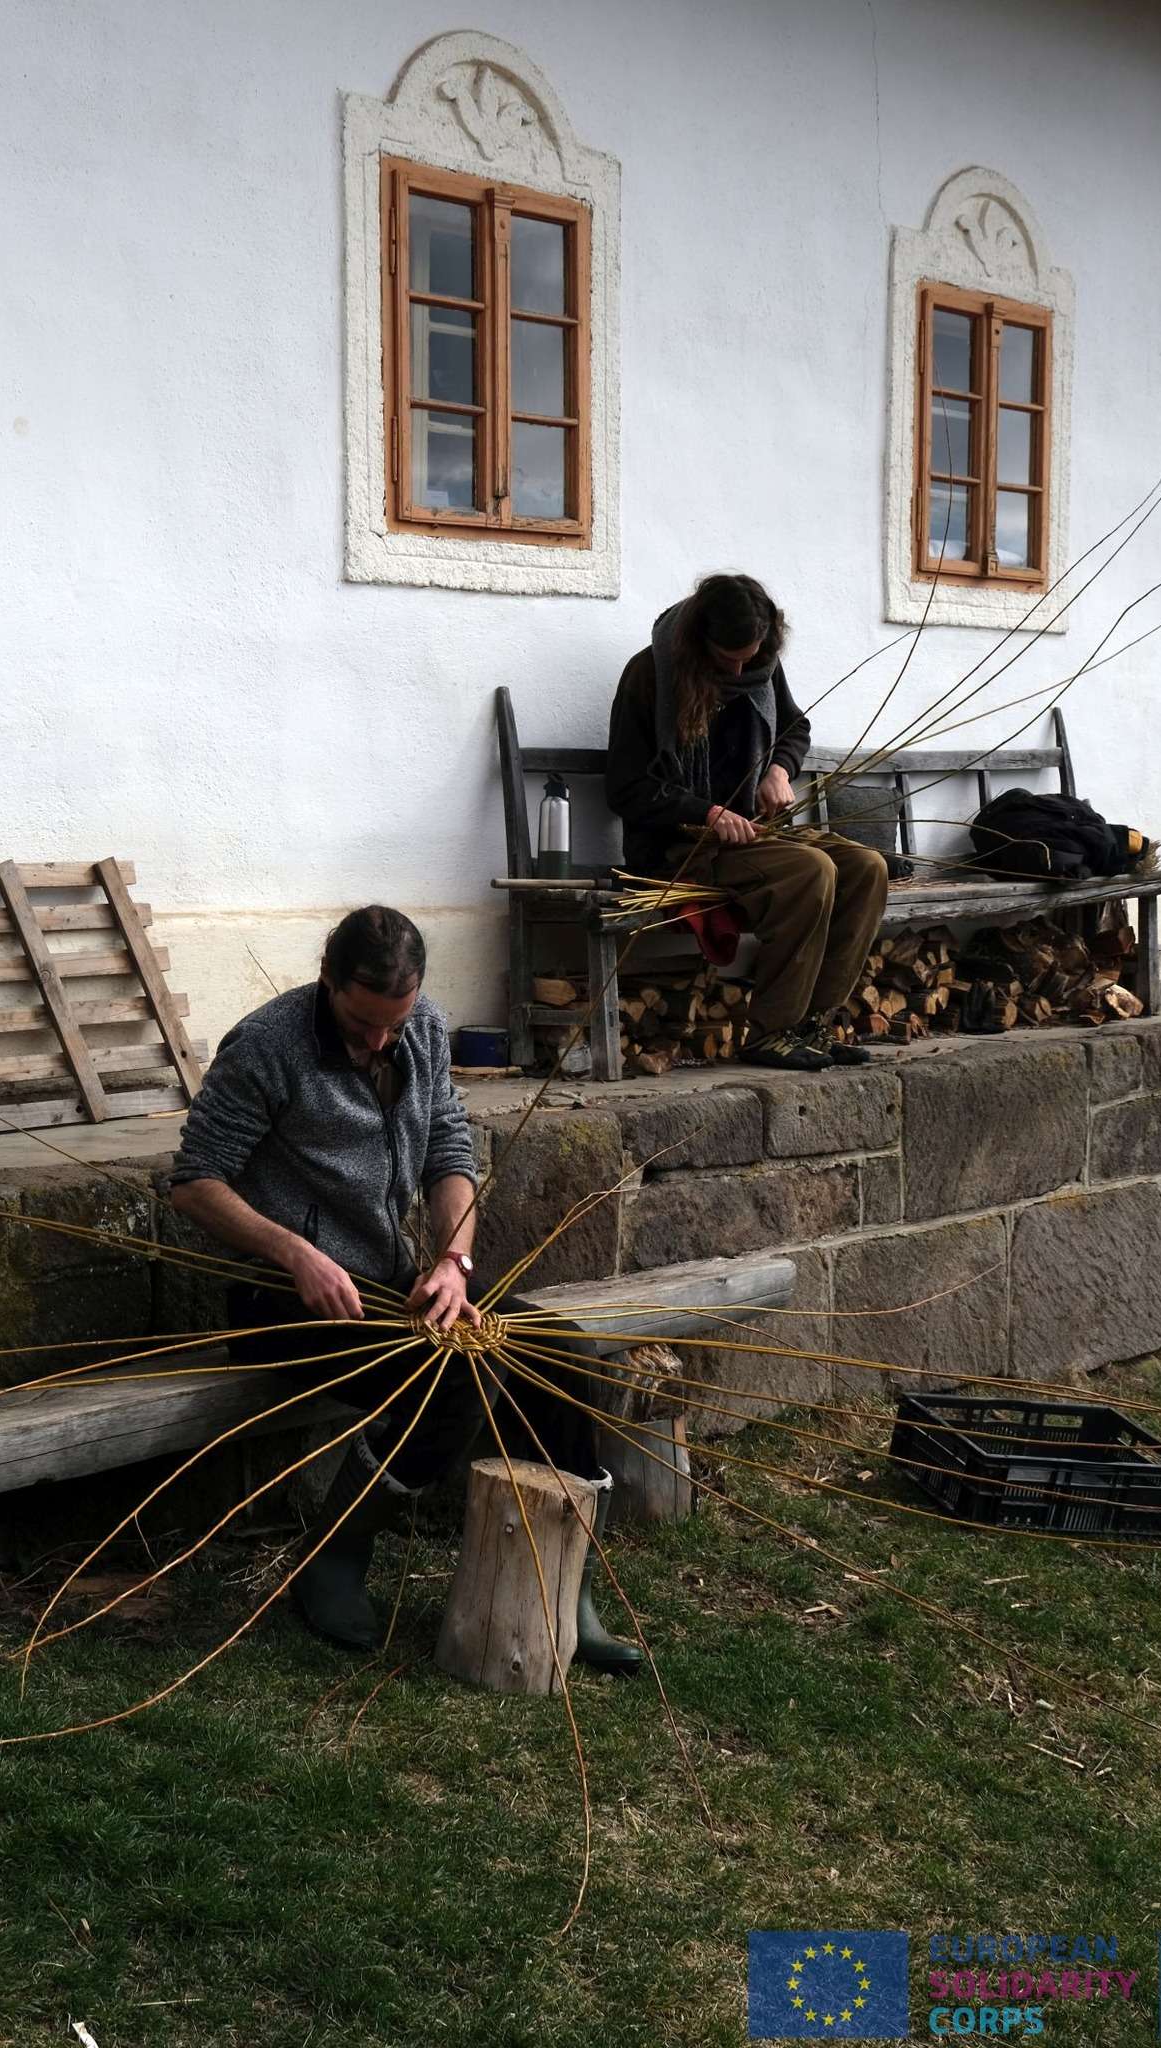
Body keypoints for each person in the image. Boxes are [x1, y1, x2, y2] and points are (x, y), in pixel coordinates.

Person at [169, 905, 639, 1672]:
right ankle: (333, 1554)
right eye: (361, 1025)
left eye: (396, 1022)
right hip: (281, 1300)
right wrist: (296, 1253)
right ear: (326, 980)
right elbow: (194, 1182)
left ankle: (564, 1581)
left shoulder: (421, 1030)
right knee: (449, 1373)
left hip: (390, 1287)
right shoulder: (266, 1046)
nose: (380, 1041)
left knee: (557, 1351)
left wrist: (453, 1262)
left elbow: (449, 1152)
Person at [606, 572, 889, 1072]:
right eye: (727, 658)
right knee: (811, 870)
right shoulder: (651, 675)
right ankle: (771, 1033)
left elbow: (794, 727)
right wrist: (707, 813)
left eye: (750, 655)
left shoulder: (762, 666)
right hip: (682, 846)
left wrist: (779, 770)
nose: (740, 668)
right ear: (699, 641)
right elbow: (627, 789)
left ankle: (813, 1026)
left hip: (757, 834)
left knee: (867, 866)